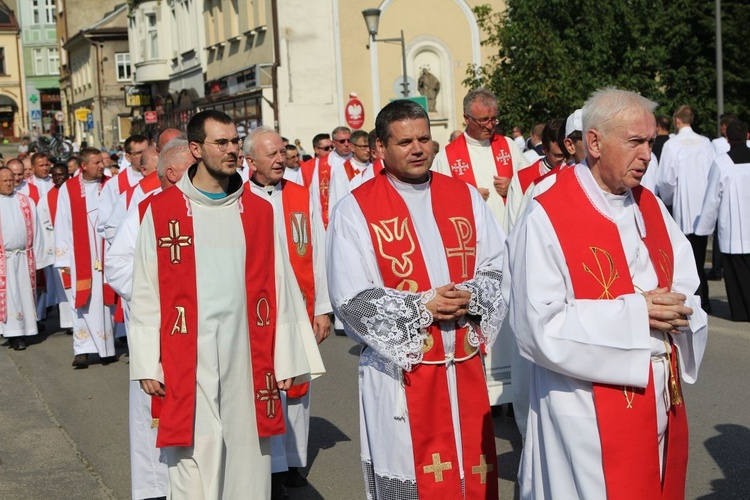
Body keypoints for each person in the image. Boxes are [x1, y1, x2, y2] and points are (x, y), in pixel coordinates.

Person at [507, 88, 707, 499]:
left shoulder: (649, 204)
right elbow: (536, 325)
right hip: (584, 407)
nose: (648, 155)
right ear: (594, 142)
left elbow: (684, 279)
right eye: (635, 142)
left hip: (658, 394)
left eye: (651, 142)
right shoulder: (548, 210)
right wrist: (638, 314)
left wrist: (679, 308)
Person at [128, 110, 324, 499]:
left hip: (246, 356)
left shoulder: (258, 211)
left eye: (236, 141)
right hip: (189, 356)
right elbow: (146, 289)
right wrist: (148, 360)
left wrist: (287, 356)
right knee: (191, 462)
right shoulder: (163, 211)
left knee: (247, 460)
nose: (233, 149)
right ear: (197, 149)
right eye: (222, 142)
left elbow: (280, 285)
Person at [327, 99, 507, 499]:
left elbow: (497, 265)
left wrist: (471, 295)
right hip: (402, 371)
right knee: (414, 472)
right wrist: (421, 307)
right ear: (379, 148)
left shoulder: (463, 196)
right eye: (405, 141)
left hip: (462, 362)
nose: (418, 148)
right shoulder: (355, 210)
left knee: (471, 467)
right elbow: (351, 297)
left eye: (424, 138)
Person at [244, 127, 332, 497]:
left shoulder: (299, 196)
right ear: (250, 162)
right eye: (271, 154)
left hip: (299, 305)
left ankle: (293, 461)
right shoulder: (238, 197)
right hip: (257, 308)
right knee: (261, 386)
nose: (281, 159)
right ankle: (268, 461)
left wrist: (324, 309)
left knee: (296, 385)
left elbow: (319, 253)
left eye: (282, 152)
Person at [106, 140, 193, 500]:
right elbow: (117, 265)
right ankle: (155, 487)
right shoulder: (145, 210)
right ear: (172, 174)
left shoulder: (215, 206)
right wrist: (160, 298)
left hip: (202, 330)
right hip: (163, 328)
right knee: (154, 411)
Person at [432, 87, 529, 229]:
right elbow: (437, 199)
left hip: (510, 233)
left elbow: (532, 184)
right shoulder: (446, 157)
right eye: (483, 120)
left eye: (493, 119)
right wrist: (466, 197)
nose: (490, 126)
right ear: (466, 118)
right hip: (474, 236)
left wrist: (514, 187)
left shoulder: (508, 146)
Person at [55, 148, 116, 368]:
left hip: (106, 251)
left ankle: (107, 347)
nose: (102, 166)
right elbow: (61, 224)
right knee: (82, 300)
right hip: (80, 256)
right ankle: (82, 349)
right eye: (97, 162)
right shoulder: (69, 189)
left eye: (102, 162)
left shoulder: (110, 184)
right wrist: (63, 261)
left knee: (106, 301)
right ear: (83, 166)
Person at [656, 105, 715, 312]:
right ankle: (705, 300)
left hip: (684, 209)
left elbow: (665, 181)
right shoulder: (706, 143)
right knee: (699, 257)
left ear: (676, 121)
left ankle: (693, 300)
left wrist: (669, 200)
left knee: (685, 259)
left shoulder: (673, 145)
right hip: (703, 208)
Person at [695, 119, 750, 321]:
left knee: (736, 275)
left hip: (734, 231)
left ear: (727, 139)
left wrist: (702, 230)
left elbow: (712, 199)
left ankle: (741, 312)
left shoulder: (722, 163)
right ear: (747, 136)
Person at [0, 167, 50, 350]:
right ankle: (14, 335)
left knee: (24, 295)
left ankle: (27, 329)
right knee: (9, 297)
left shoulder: (26, 202)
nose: (8, 183)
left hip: (24, 256)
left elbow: (37, 231)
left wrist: (39, 257)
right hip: (3, 259)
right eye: (4, 180)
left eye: (10, 180)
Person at [37, 164, 73, 334]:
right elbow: (42, 224)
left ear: (68, 175)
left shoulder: (75, 192)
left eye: (62, 174)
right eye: (56, 175)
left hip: (75, 244)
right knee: (63, 286)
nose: (59, 178)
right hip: (58, 244)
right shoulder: (46, 198)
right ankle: (68, 321)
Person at [97, 135, 148, 242]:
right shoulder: (114, 185)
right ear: (128, 157)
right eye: (139, 153)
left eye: (146, 151)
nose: (144, 156)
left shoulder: (161, 178)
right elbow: (104, 225)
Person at [328, 129, 371, 208]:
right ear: (352, 147)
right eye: (364, 147)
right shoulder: (341, 171)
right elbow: (338, 202)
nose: (368, 150)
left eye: (369, 146)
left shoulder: (374, 167)